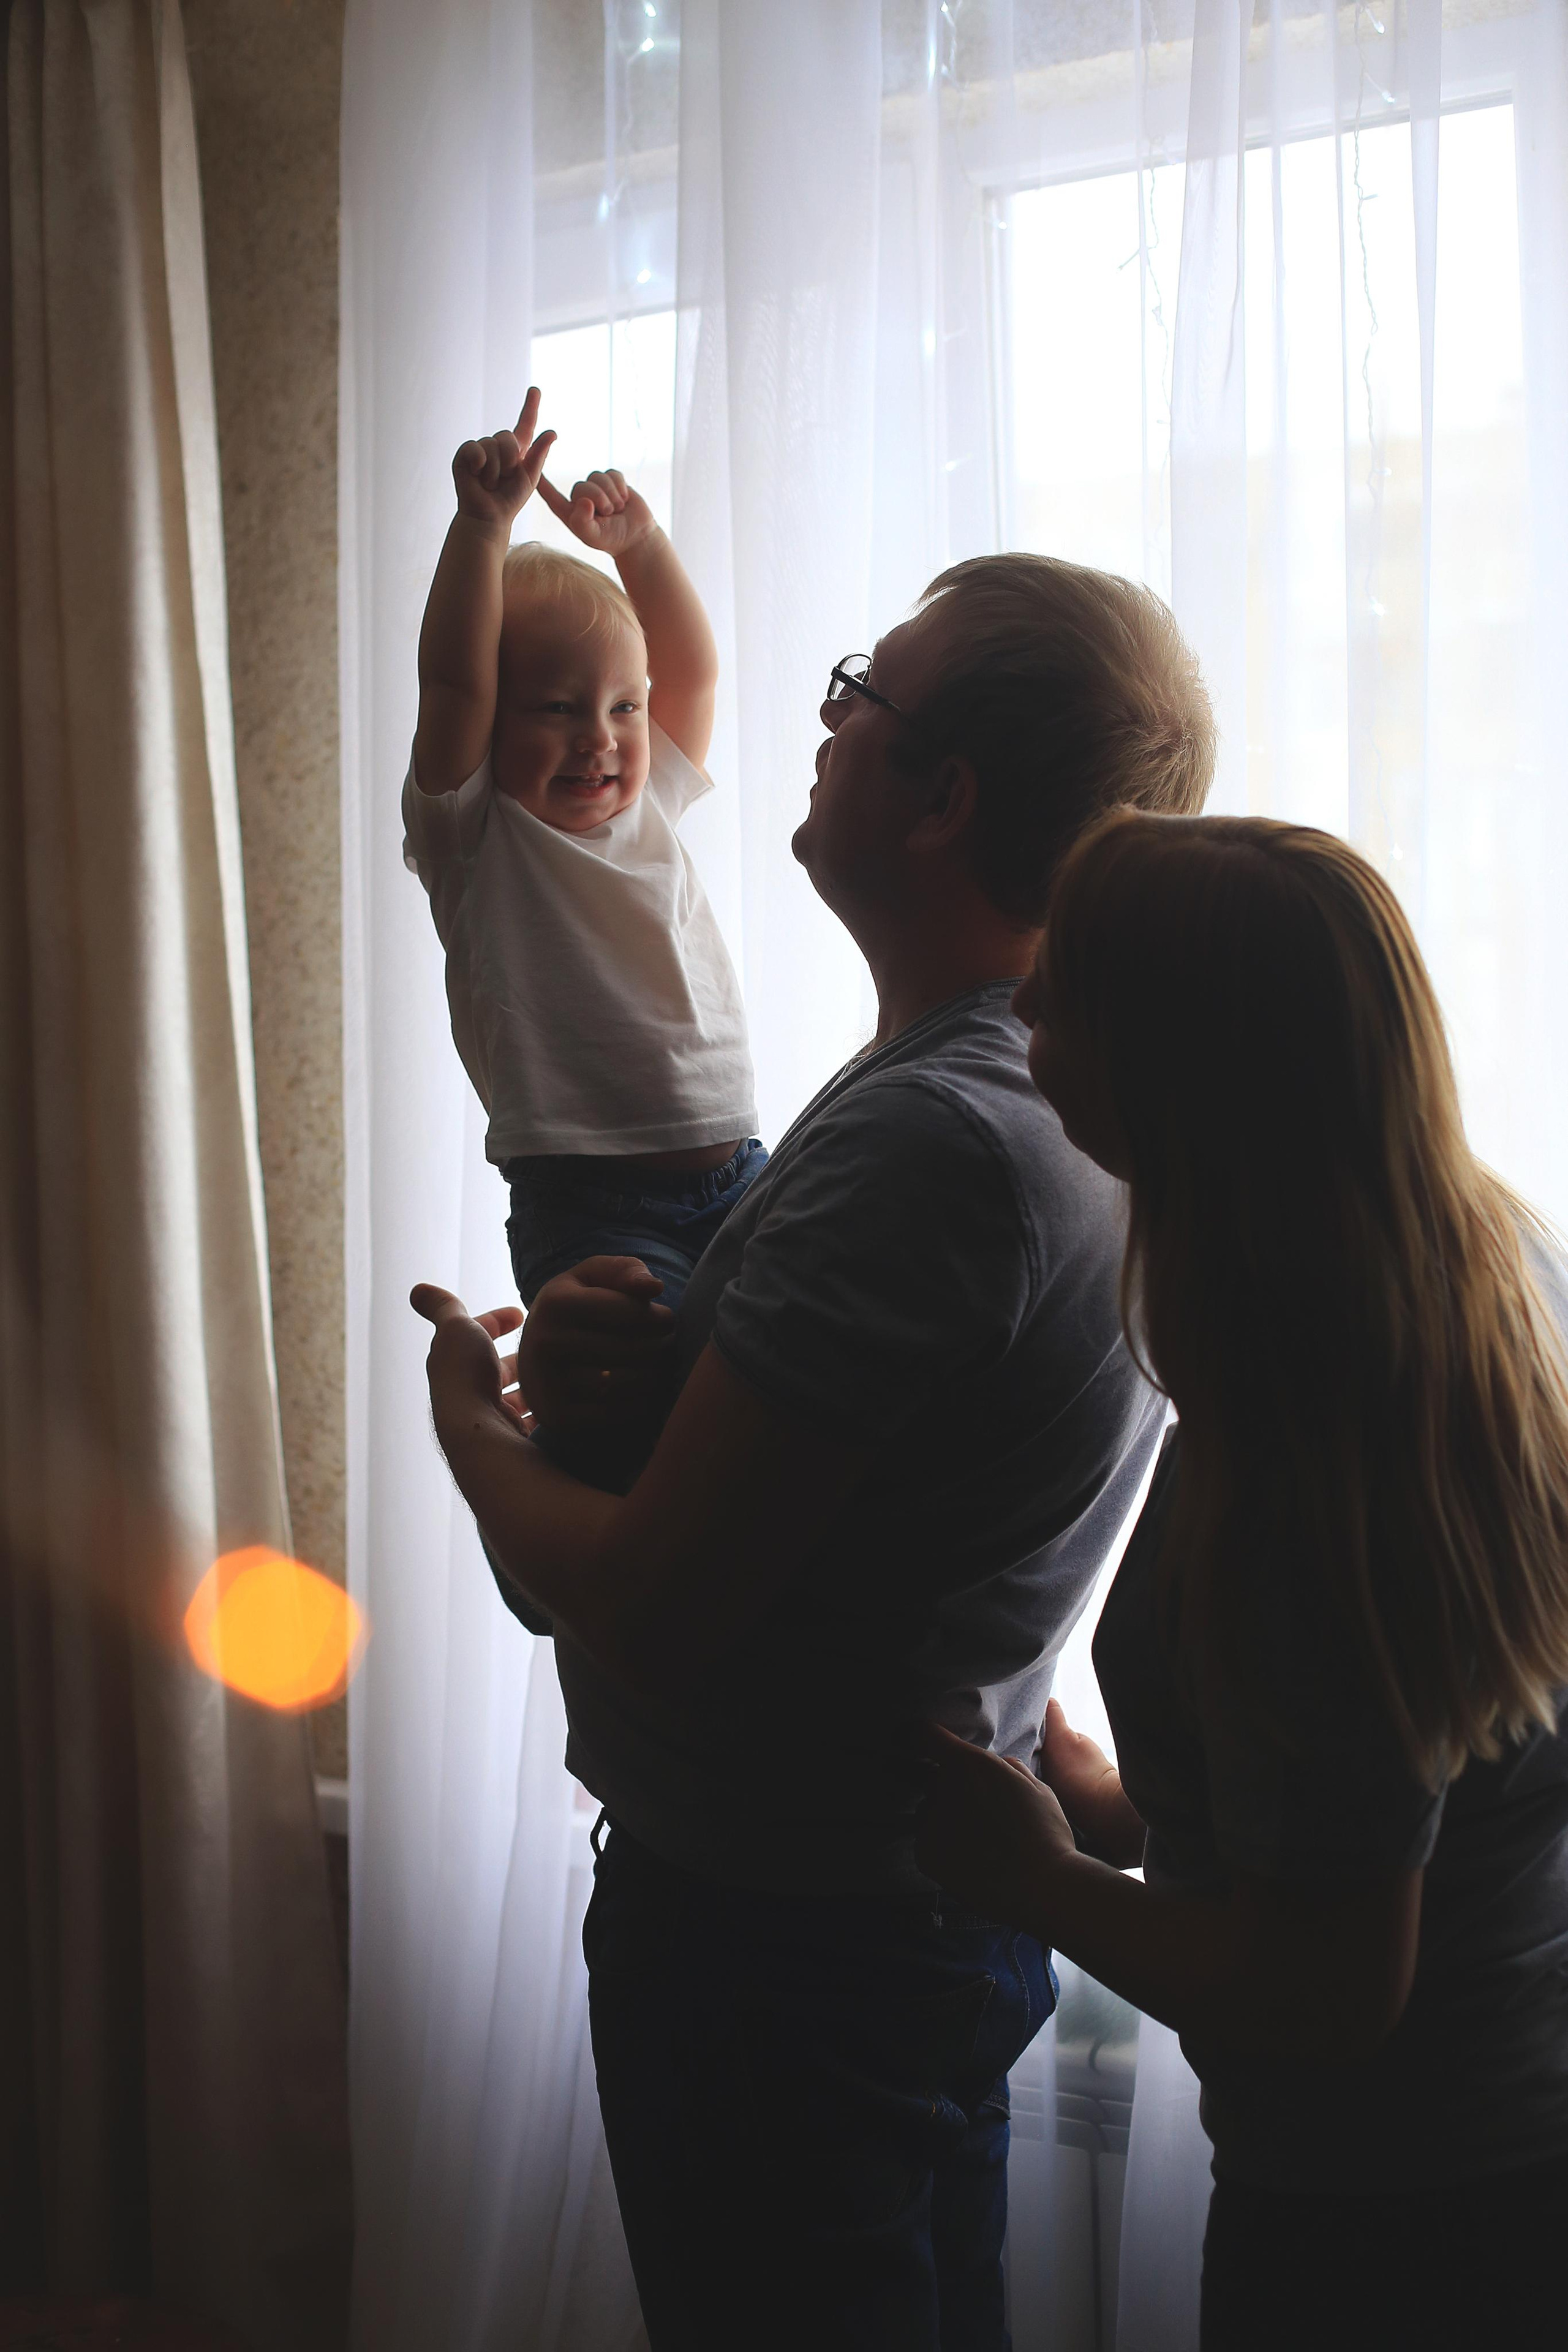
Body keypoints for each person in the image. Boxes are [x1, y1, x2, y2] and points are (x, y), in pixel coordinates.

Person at [412, 555, 1215, 2350]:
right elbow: (899, 1509)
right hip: (902, 1915)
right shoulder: (1054, 1091)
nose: (828, 711)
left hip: (783, 1948)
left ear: (944, 802)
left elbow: (646, 1610)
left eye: (870, 689)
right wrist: (653, 1382)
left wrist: (474, 1425)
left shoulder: (927, 1148)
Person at [916, 812, 1568, 2352]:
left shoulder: (1312, 1453)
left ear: (1171, 1075)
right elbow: (1400, 1790)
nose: (1018, 1012)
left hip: (1387, 2223)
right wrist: (1144, 1817)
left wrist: (1041, 1885)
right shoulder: (1487, 1267)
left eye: (1062, 991)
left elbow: (1328, 1995)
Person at [404, 383, 765, 1338]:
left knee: (780, 1394)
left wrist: (640, 548)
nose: (600, 740)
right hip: (591, 1207)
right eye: (557, 709)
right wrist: (483, 528)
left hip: (741, 1175)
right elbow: (451, 676)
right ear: (489, 725)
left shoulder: (653, 800)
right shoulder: (475, 831)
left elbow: (690, 671)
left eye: (621, 708)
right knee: (635, 1410)